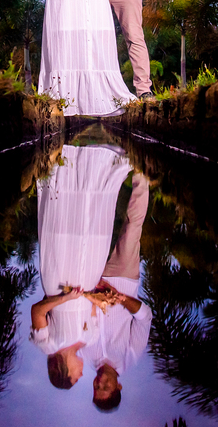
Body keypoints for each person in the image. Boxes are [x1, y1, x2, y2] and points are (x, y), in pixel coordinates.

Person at [30, 143, 135, 389]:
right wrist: (96, 299)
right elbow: (90, 304)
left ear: (63, 373)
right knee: (92, 226)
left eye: (75, 380)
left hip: (60, 276)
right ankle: (99, 164)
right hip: (87, 275)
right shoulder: (90, 339)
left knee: (63, 226)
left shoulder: (48, 346)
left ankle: (64, 164)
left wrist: (63, 300)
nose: (81, 377)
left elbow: (37, 312)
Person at [85, 171, 153, 412]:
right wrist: (121, 298)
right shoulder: (130, 356)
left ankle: (105, 171)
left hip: (92, 277)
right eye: (105, 387)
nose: (99, 382)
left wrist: (93, 294)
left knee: (94, 223)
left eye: (96, 387)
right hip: (123, 276)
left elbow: (82, 313)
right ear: (118, 387)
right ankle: (141, 173)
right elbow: (145, 317)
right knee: (132, 225)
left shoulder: (86, 353)